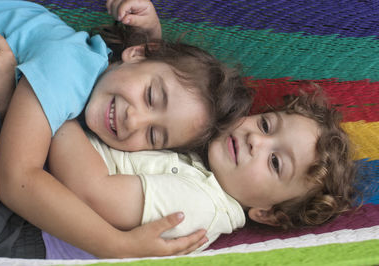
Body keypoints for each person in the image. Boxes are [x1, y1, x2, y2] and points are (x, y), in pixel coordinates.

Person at [0, 0, 252, 259]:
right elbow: (16, 181)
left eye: (153, 135)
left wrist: (148, 37)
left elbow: (145, 73)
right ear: (137, 53)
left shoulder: (106, 80)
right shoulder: (70, 67)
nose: (133, 121)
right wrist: (116, 245)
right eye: (150, 97)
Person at [44, 86, 358, 258]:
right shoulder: (210, 156)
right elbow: (176, 92)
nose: (256, 140)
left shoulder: (201, 206)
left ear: (267, 213)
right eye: (265, 124)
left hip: (31, 217)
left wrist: (50, 102)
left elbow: (92, 191)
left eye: (275, 162)